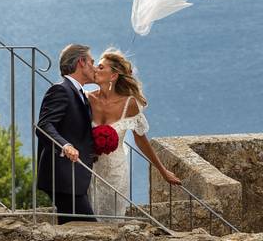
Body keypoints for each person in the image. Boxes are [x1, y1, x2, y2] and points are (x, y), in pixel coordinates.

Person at [87, 48, 181, 219]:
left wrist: (162, 170)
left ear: (113, 76)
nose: (95, 69)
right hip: (88, 169)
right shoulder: (86, 98)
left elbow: (141, 140)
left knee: (112, 220)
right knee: (87, 218)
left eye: (101, 67)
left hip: (115, 172)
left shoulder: (129, 104)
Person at [36, 43, 97, 224]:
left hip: (72, 178)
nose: (94, 67)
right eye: (92, 62)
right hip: (63, 177)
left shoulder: (78, 92)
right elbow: (44, 125)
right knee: (89, 228)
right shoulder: (61, 90)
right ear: (81, 62)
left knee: (71, 227)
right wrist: (65, 145)